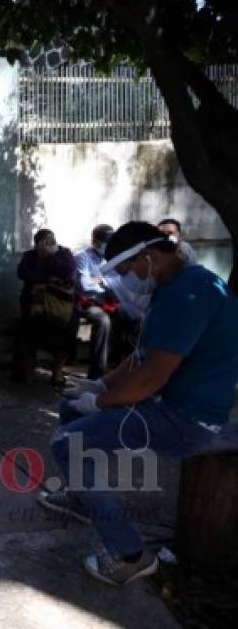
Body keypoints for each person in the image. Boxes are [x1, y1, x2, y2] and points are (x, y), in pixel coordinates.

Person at [39, 221, 238, 585]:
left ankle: (130, 555)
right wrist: (98, 384)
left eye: (127, 270)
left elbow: (151, 378)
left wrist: (100, 403)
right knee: (69, 407)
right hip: (168, 402)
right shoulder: (174, 287)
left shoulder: (189, 294)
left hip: (185, 419)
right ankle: (83, 498)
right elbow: (140, 358)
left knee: (67, 443)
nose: (126, 280)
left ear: (149, 257)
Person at [12, 229, 78, 386]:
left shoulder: (64, 253)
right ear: (37, 244)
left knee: (70, 326)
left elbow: (68, 273)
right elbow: (23, 274)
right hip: (36, 306)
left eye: (51, 241)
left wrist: (50, 258)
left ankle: (57, 372)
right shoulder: (30, 256)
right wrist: (48, 276)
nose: (49, 245)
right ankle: (28, 371)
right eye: (44, 242)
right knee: (29, 329)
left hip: (61, 306)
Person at [74, 224, 118, 379]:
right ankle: (96, 374)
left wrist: (102, 283)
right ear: (95, 242)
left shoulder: (113, 258)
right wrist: (107, 286)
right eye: (105, 242)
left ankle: (122, 368)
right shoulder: (82, 257)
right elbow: (85, 286)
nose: (108, 246)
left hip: (108, 301)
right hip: (87, 303)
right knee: (103, 320)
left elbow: (119, 284)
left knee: (133, 316)